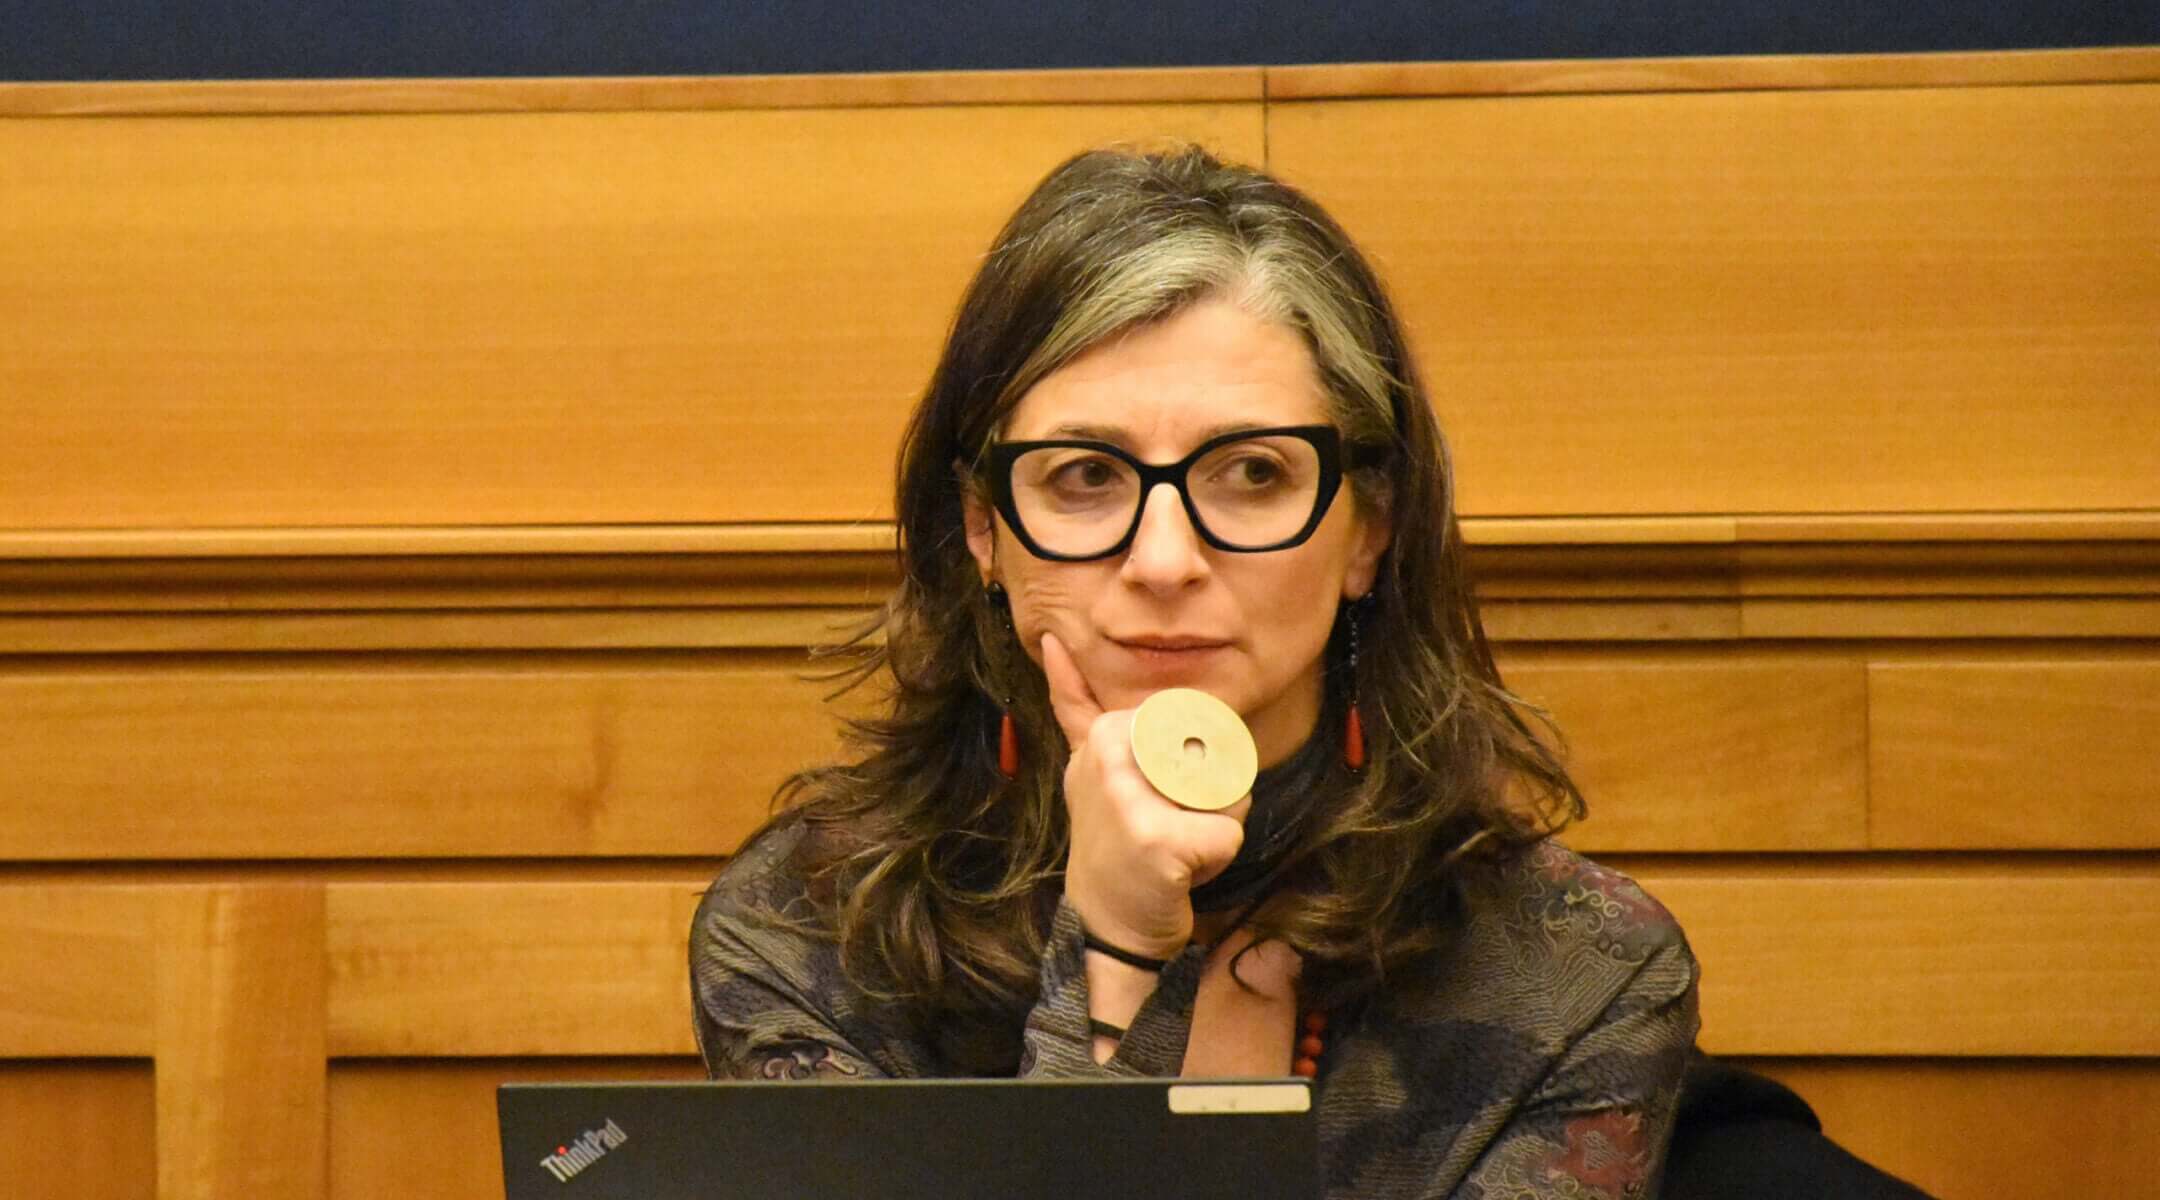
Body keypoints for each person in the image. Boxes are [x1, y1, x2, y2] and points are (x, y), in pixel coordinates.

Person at [691, 144, 1699, 1199]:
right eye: (1085, 476)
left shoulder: (1578, 971)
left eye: (1252, 474)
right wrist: (1115, 954)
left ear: (1369, 530)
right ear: (984, 529)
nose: (1164, 559)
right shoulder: (810, 930)